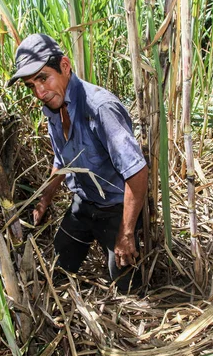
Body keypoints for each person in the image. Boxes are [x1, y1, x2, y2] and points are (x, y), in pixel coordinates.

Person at [8, 34, 148, 291]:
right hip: (83, 204)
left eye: (43, 78)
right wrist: (45, 200)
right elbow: (63, 160)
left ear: (64, 66)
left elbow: (136, 172)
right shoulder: (53, 107)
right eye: (31, 85)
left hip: (116, 208)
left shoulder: (99, 107)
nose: (39, 92)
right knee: (58, 268)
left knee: (127, 288)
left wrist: (126, 233)